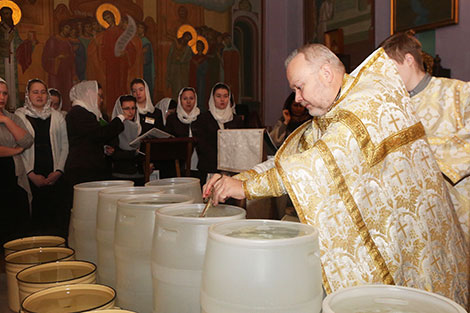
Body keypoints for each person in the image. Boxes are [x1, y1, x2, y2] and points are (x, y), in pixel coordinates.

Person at [203, 44, 469, 307]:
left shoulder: (366, 101)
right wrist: (236, 179)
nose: (296, 98)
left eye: (299, 87)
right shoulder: (334, 111)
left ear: (326, 74)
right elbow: (290, 160)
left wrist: (245, 188)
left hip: (413, 238)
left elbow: (316, 165)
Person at [381, 31, 470, 247]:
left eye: (388, 68)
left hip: (460, 207)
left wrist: (421, 155)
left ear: (409, 60)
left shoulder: (459, 92)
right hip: (419, 217)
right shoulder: (391, 110)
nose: (383, 76)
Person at [15, 79, 69, 237]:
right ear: (28, 95)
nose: (39, 95)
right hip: (30, 175)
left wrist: (58, 171)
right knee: (35, 221)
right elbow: (19, 149)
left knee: (54, 220)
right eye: (35, 92)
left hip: (54, 174)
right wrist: (30, 174)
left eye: (43, 92)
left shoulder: (58, 116)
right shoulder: (19, 116)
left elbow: (65, 145)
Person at [65, 80, 127, 188]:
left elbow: (89, 138)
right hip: (83, 169)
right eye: (100, 96)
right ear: (89, 93)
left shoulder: (86, 113)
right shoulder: (79, 113)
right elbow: (99, 134)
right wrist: (119, 119)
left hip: (89, 168)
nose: (101, 100)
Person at [0, 77, 33, 245]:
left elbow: (27, 141)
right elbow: (19, 146)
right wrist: (14, 150)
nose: (2, 97)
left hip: (14, 176)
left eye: (5, 93)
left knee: (16, 227)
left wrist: (6, 120)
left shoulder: (13, 118)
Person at [193, 82, 244, 184]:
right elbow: (202, 146)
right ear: (213, 98)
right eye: (218, 96)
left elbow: (240, 144)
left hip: (232, 171)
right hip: (210, 169)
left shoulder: (236, 119)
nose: (222, 100)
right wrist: (220, 164)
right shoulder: (203, 119)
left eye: (225, 96)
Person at [42, 20, 75, 111]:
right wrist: (57, 58)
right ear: (62, 28)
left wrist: (69, 58)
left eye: (69, 28)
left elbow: (72, 57)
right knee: (56, 91)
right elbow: (46, 58)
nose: (68, 30)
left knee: (66, 93)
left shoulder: (68, 42)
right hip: (55, 72)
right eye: (66, 27)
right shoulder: (53, 40)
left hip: (66, 72)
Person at [110, 94, 144, 185]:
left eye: (133, 108)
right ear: (120, 110)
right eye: (127, 109)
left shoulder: (139, 126)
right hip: (121, 175)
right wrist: (134, 153)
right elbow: (114, 153)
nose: (131, 112)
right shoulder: (114, 128)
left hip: (139, 174)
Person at [165, 87, 200, 174]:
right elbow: (168, 141)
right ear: (180, 100)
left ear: (195, 100)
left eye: (191, 98)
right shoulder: (172, 119)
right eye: (185, 99)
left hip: (199, 163)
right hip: (178, 164)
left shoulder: (201, 118)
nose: (188, 102)